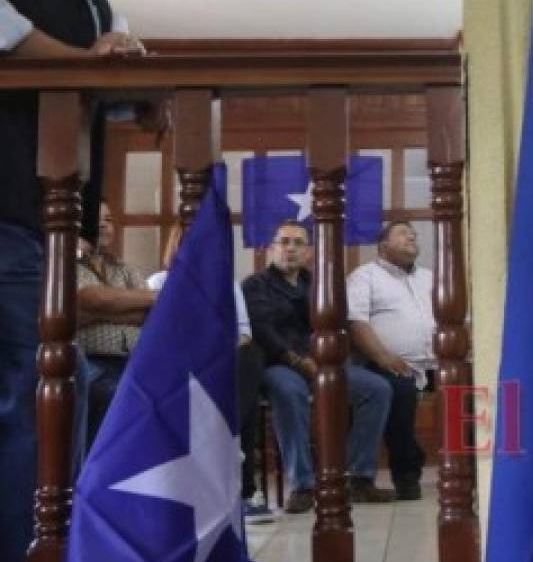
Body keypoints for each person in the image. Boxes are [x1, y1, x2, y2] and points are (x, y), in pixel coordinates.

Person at [0, 0, 149, 562]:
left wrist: (119, 56)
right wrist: (83, 60)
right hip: (8, 212)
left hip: (35, 214)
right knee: (37, 396)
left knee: (56, 389)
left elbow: (104, 51)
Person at [242, 220, 394, 513]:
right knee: (289, 392)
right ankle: (303, 484)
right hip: (279, 364)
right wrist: (299, 363)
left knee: (377, 389)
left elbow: (336, 325)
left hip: (322, 364)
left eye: (298, 243)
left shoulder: (316, 285)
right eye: (283, 242)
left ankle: (358, 478)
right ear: (271, 249)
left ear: (309, 252)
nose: (290, 249)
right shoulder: (255, 284)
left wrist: (328, 362)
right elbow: (262, 331)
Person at [147, 223, 273, 522]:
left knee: (250, 359)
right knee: (235, 391)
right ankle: (239, 477)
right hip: (178, 366)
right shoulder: (157, 283)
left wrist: (215, 355)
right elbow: (155, 337)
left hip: (222, 361)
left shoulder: (227, 284)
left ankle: (228, 446)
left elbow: (243, 333)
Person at [347, 220, 435, 501]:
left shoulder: (430, 277)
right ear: (383, 246)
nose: (412, 235)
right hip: (387, 364)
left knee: (473, 386)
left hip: (437, 364)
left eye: (413, 233)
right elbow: (356, 322)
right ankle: (407, 475)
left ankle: (476, 466)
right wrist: (384, 357)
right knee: (400, 388)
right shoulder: (365, 276)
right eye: (402, 233)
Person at [77, 201, 156, 447]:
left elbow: (153, 314)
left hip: (134, 362)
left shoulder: (125, 270)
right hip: (89, 362)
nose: (103, 224)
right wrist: (151, 298)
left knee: (171, 393)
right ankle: (97, 479)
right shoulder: (65, 264)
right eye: (96, 218)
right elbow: (87, 299)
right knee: (115, 396)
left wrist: (100, 310)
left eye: (109, 219)